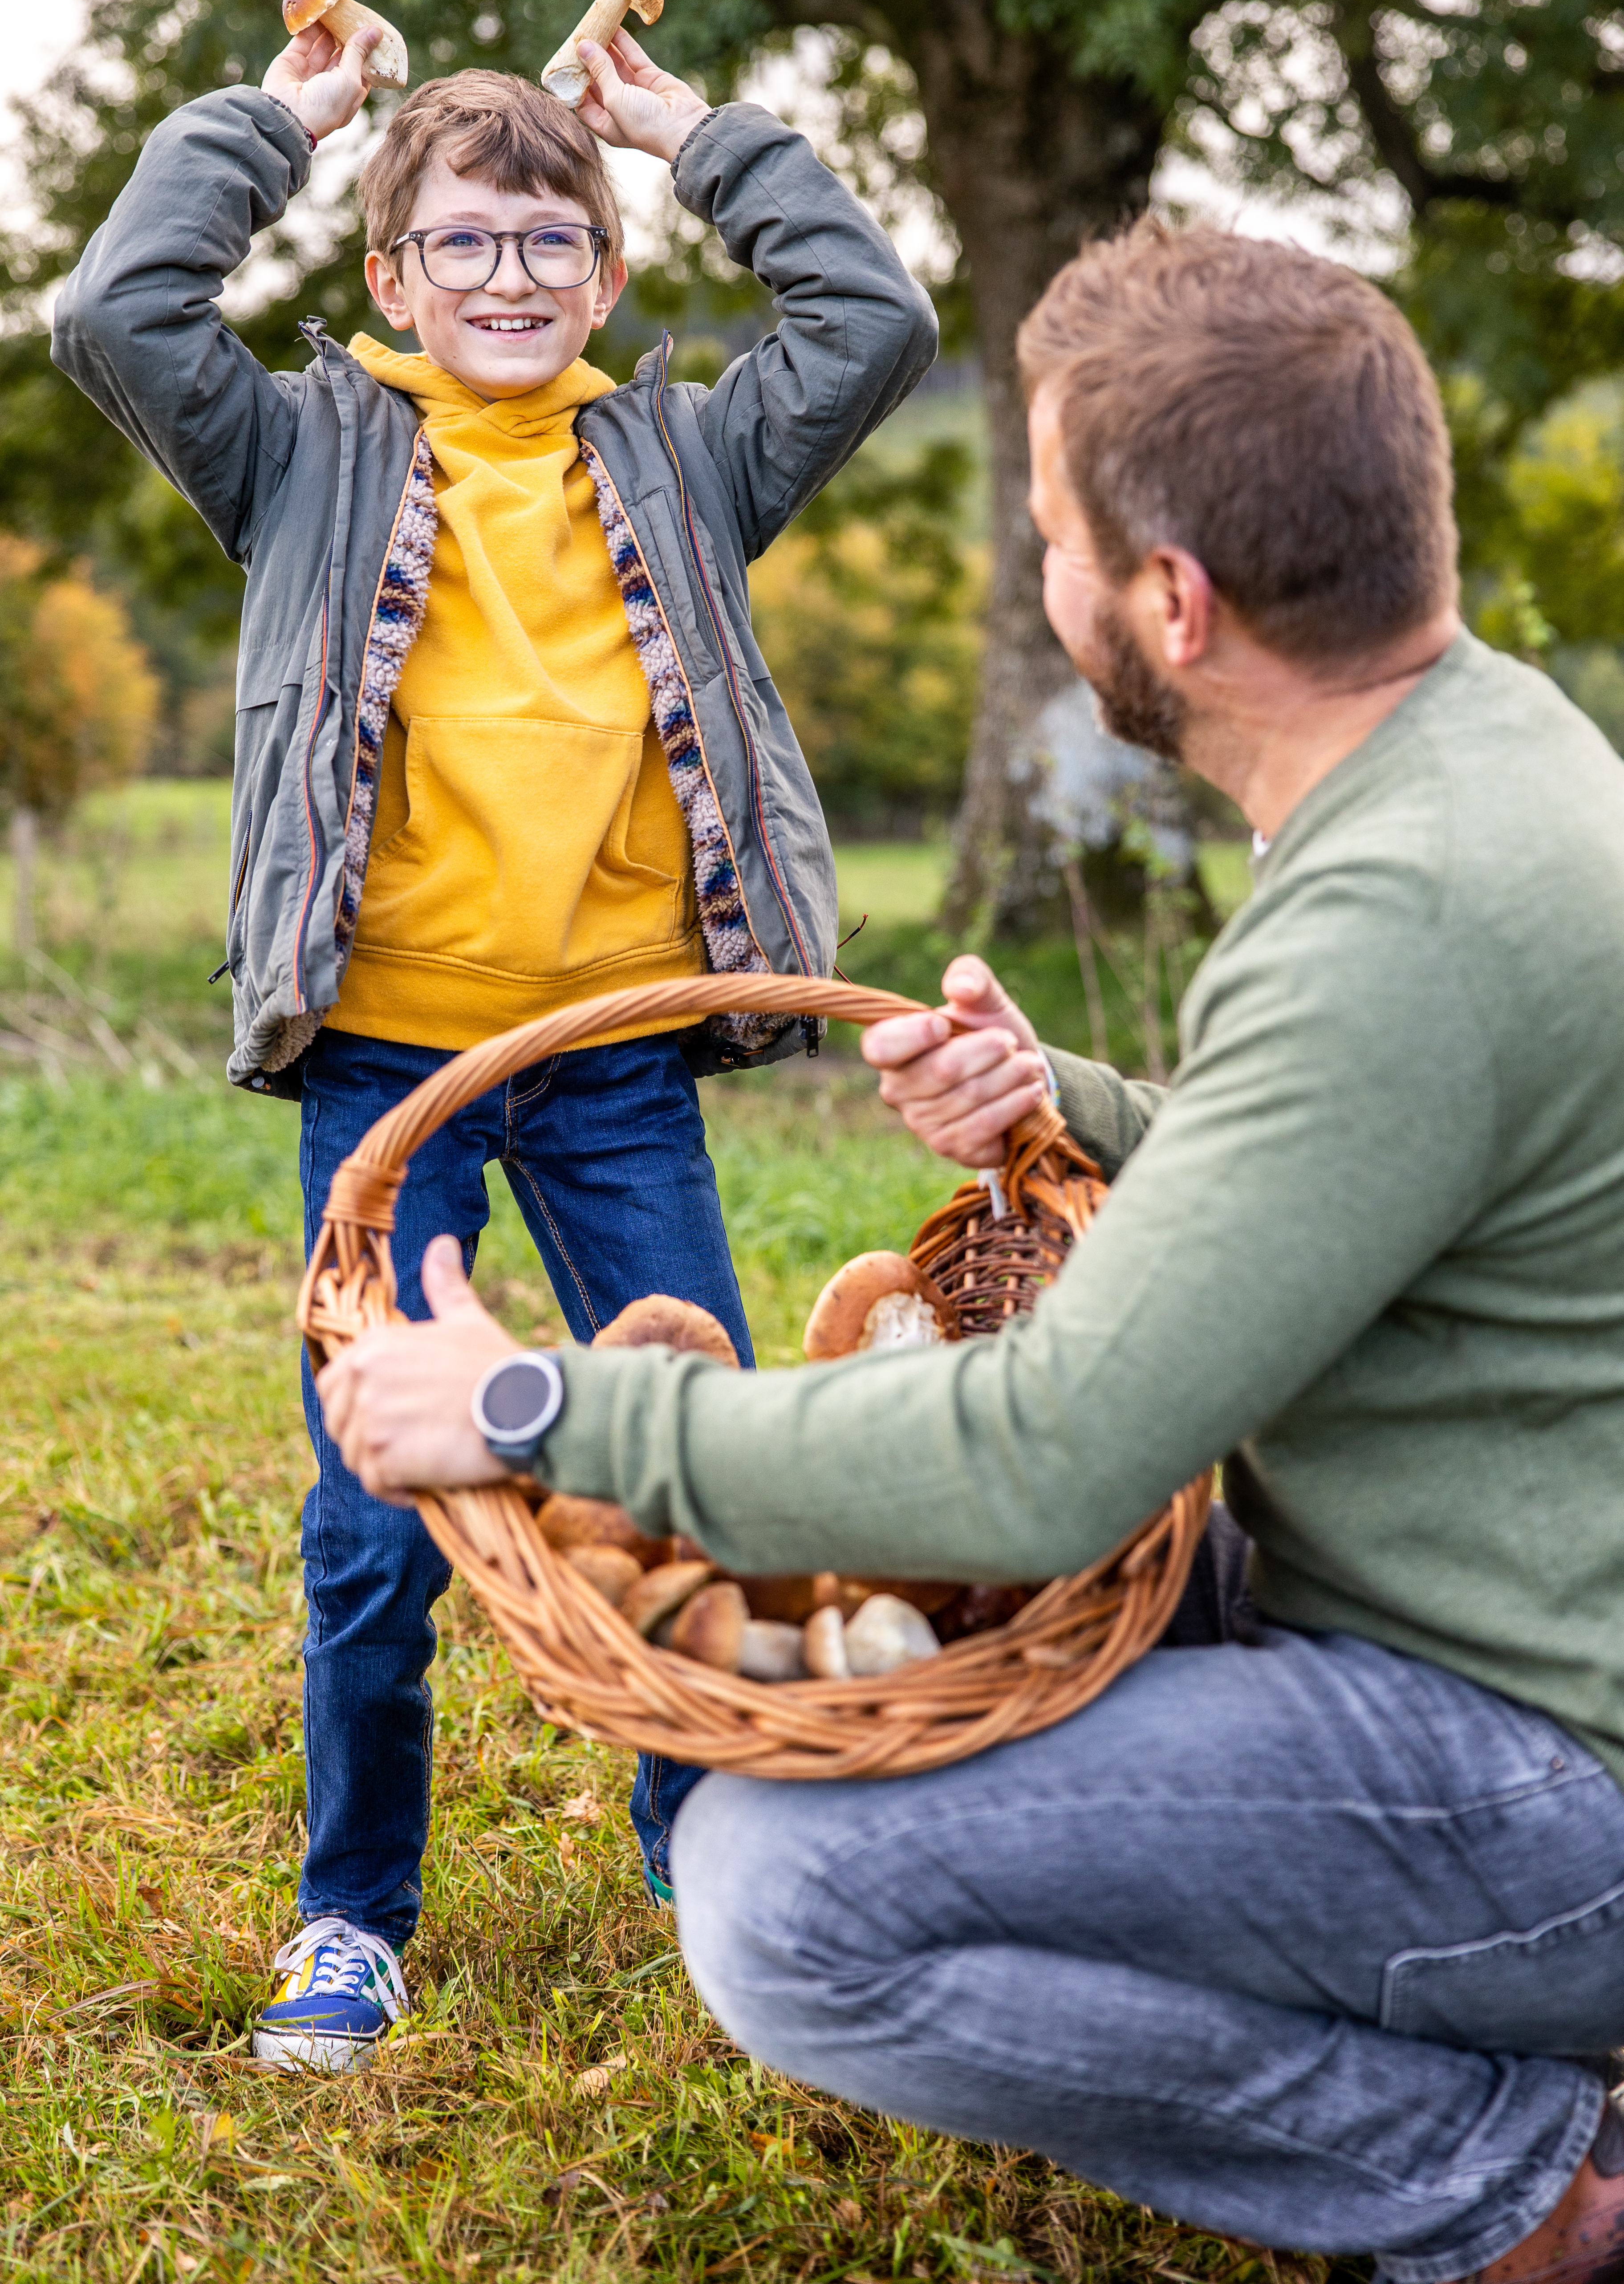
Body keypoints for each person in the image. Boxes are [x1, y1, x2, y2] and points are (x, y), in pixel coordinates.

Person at [313, 217, 1624, 2281]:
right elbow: (1371, 1167)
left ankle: (1514, 2189)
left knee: (782, 1902)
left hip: (1550, 1789)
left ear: (1170, 607)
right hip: (1447, 1636)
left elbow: (1040, 1458)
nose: (1043, 577)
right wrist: (1075, 1111)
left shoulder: (1403, 916)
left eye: (1051, 539)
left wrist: (531, 1402)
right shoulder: (1475, 753)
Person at [52, 9, 936, 2067]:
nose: (514, 279)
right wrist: (281, 122)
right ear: (391, 276)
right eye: (466, 244)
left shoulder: (686, 455)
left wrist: (693, 134)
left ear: (610, 274)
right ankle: (353, 1916)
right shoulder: (300, 448)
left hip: (619, 1055)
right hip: (387, 1061)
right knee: (374, 1520)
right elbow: (116, 304)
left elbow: (874, 316)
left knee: (704, 1460)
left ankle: (700, 1842)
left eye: (554, 242)